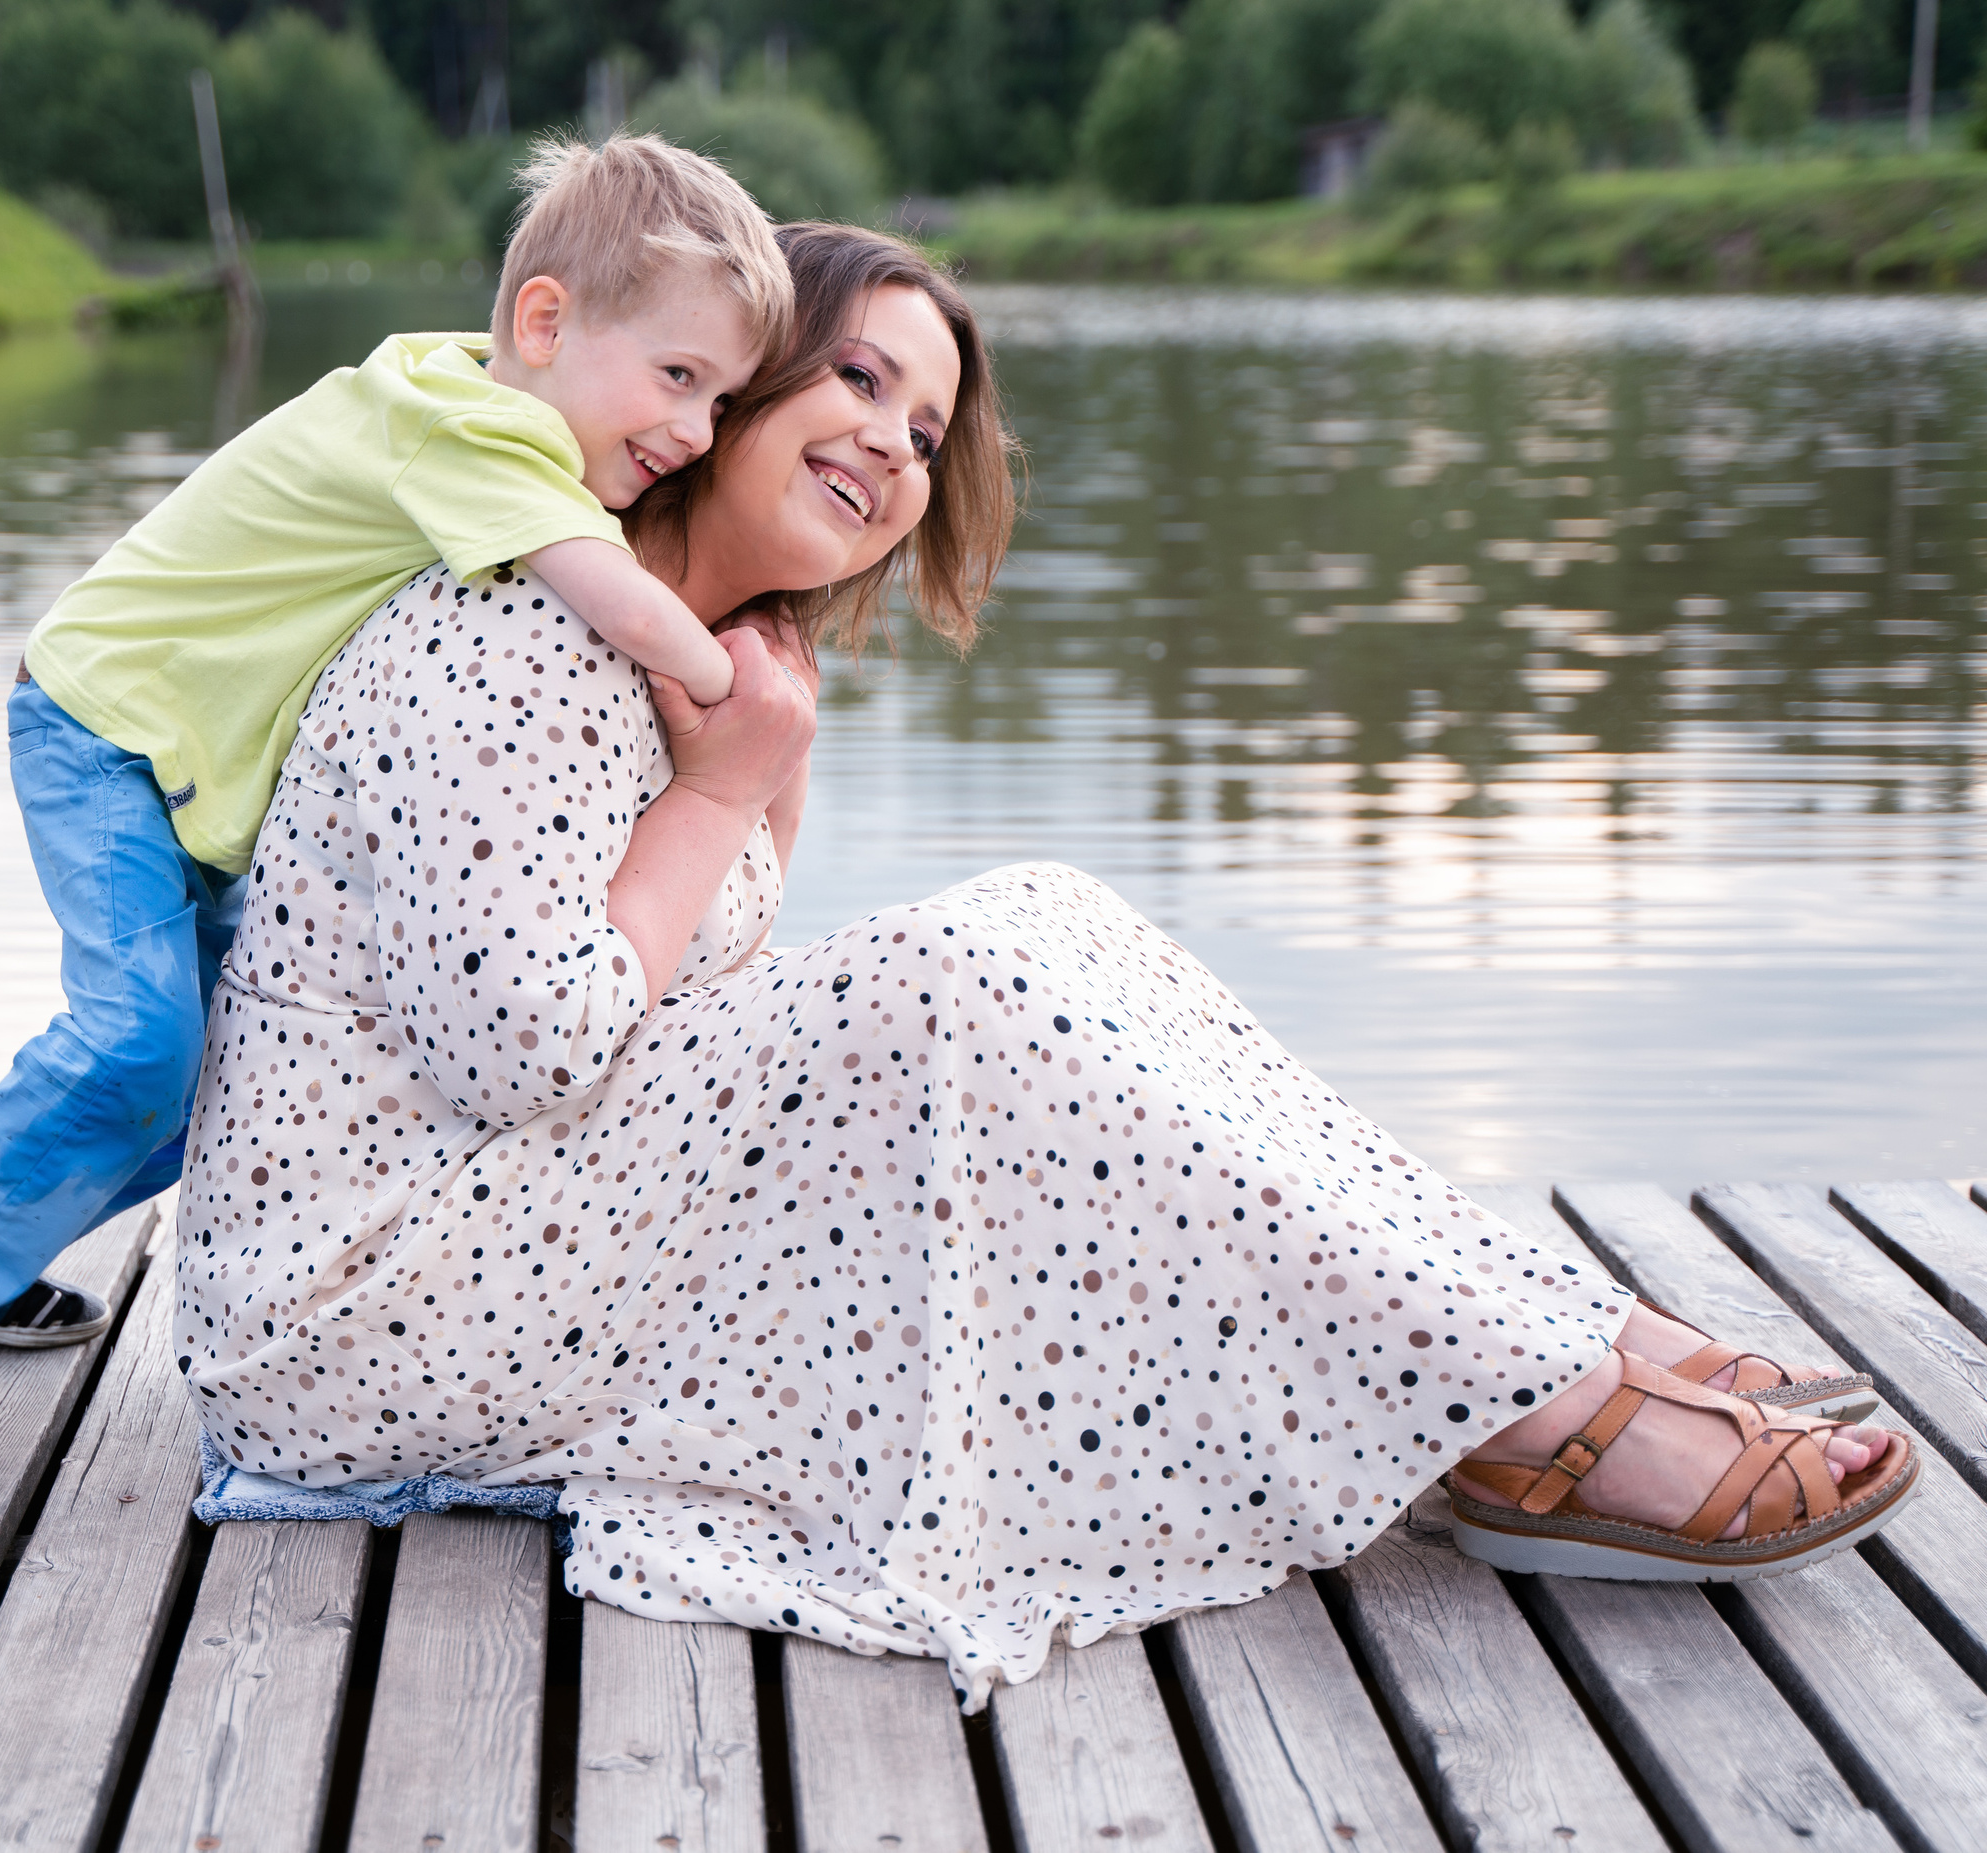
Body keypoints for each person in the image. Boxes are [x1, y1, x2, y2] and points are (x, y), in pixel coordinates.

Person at [179, 222, 1917, 1705]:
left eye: (927, 428)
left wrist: (744, 781)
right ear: (725, 386)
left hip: (522, 1238)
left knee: (1053, 933)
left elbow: (692, 1044)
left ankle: (1553, 1348)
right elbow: (531, 1058)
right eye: (857, 381)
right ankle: (1527, 1398)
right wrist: (722, 794)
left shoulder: (729, 669)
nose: (894, 446)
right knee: (970, 969)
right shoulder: (501, 632)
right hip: (351, 1321)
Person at [0, 134, 794, 1509]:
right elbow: (615, 599)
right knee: (141, 1040)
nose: (695, 431)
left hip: (172, 760)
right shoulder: (484, 428)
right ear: (543, 321)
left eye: (724, 399)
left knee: (220, 1069)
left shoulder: (470, 396)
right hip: (106, 727)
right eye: (679, 378)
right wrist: (746, 704)